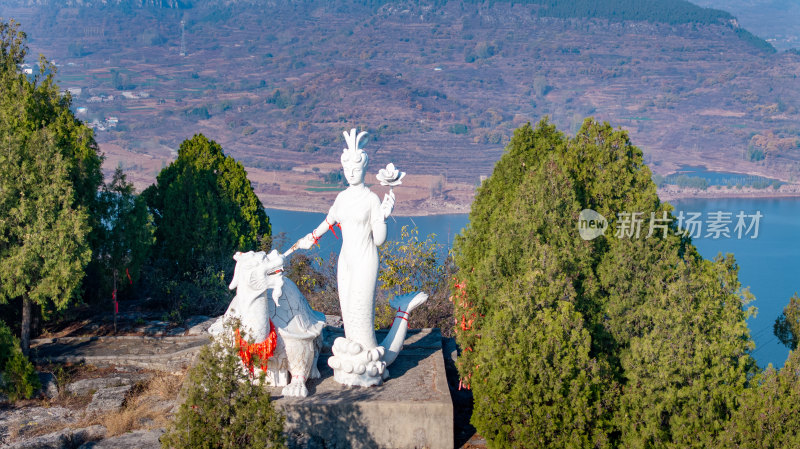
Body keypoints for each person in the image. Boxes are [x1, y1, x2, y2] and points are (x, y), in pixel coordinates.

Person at [294, 129, 394, 351]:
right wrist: (310, 237)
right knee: (347, 310)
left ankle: (367, 352)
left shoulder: (371, 199)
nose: (351, 173)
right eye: (347, 169)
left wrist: (381, 218)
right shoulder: (342, 198)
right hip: (345, 261)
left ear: (364, 169)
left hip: (365, 260)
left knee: (361, 309)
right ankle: (352, 351)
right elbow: (329, 221)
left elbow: (379, 240)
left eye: (356, 168)